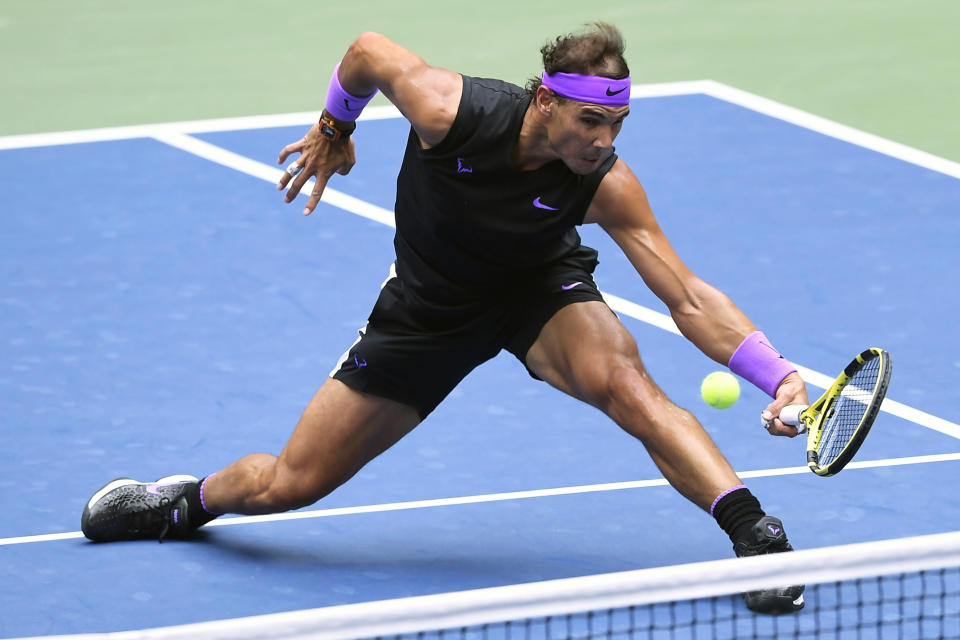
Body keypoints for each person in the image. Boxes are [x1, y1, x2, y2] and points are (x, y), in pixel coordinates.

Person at [81, 24, 809, 614]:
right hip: (429, 312)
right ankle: (183, 503)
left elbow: (685, 295)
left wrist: (777, 375)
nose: (603, 140)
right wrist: (336, 123)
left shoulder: (605, 182)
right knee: (289, 485)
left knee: (627, 386)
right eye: (591, 120)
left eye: (617, 123)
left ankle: (756, 536)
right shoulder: (450, 112)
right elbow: (367, 50)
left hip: (537, 292)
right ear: (547, 102)